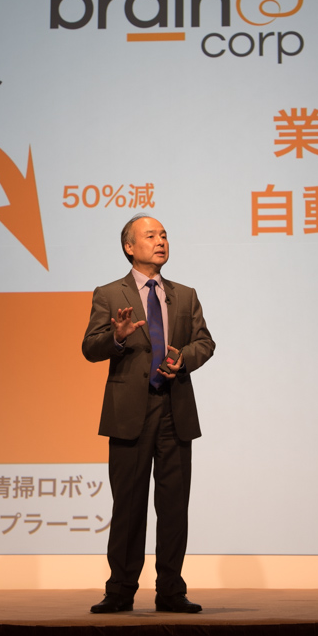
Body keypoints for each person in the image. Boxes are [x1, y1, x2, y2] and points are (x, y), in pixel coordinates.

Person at [81, 214, 215, 614]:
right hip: (129, 414)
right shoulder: (109, 294)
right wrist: (117, 338)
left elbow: (205, 342)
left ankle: (171, 591)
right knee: (129, 505)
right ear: (129, 246)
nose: (161, 241)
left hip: (175, 410)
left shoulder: (185, 295)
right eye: (151, 235)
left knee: (174, 507)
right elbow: (90, 347)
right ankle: (120, 590)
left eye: (164, 235)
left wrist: (184, 358)